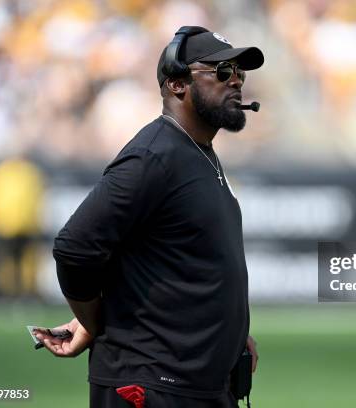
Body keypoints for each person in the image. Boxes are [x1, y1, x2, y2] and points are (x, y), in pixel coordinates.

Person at [34, 26, 264, 408]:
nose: (236, 81)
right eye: (223, 72)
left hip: (194, 384)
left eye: (240, 73)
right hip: (151, 387)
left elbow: (177, 261)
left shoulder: (198, 152)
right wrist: (96, 322)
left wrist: (232, 334)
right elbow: (75, 248)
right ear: (177, 84)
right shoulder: (153, 157)